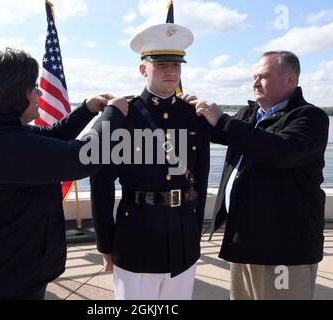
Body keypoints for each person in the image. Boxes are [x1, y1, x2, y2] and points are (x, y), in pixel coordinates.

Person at [0, 48, 129, 300]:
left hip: (1, 274)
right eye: (33, 87)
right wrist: (113, 114)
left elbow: (54, 136)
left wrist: (87, 109)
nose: (39, 93)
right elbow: (83, 158)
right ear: (10, 91)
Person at [185, 51, 329, 299]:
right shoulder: (249, 116)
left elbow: (277, 151)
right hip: (245, 242)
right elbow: (213, 130)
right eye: (254, 77)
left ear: (290, 80)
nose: (255, 83)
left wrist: (222, 120)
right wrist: (185, 109)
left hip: (285, 251)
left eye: (263, 77)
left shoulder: (310, 117)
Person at [90, 23, 210, 300]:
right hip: (136, 236)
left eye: (177, 65)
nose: (171, 71)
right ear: (143, 69)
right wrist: (104, 243)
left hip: (182, 235)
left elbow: (201, 176)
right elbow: (102, 184)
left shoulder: (193, 115)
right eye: (162, 64)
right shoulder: (123, 115)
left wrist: (195, 228)